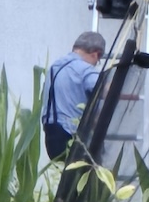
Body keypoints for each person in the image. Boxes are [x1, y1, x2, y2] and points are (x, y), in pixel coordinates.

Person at [42, 31, 106, 160]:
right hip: (69, 134)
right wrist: (131, 94)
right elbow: (103, 89)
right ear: (95, 53)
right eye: (97, 61)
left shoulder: (55, 66)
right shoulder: (83, 68)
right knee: (82, 177)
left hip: (51, 133)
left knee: (62, 174)